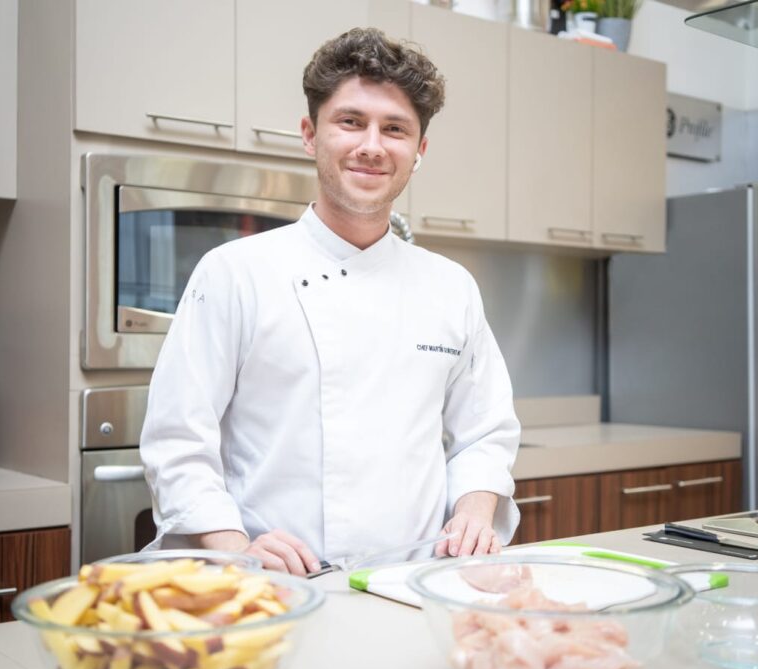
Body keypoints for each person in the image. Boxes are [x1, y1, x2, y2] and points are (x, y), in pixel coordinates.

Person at [140, 27, 521, 575]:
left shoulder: (451, 286)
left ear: (419, 151)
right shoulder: (234, 273)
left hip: (412, 580)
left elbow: (486, 433)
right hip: (276, 587)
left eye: (395, 129)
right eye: (350, 121)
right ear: (309, 135)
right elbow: (178, 440)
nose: (372, 146)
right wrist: (234, 548)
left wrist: (474, 514)